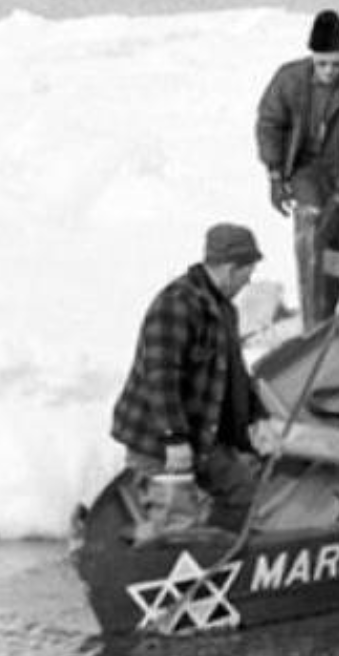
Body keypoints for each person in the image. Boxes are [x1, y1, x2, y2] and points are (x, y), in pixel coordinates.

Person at [111, 223, 270, 520]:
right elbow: (160, 376)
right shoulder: (176, 305)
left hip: (204, 440)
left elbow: (236, 374)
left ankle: (223, 549)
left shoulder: (225, 310)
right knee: (174, 522)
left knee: (244, 493)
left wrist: (257, 417)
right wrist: (174, 438)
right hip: (160, 443)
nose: (248, 282)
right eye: (247, 273)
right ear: (230, 269)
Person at [255, 9, 339, 329]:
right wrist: (274, 173)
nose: (330, 71)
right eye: (323, 63)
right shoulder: (289, 79)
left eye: (337, 64)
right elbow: (270, 122)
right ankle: (313, 321)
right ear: (313, 57)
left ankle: (332, 309)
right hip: (306, 169)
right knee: (311, 235)